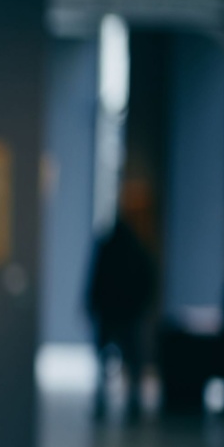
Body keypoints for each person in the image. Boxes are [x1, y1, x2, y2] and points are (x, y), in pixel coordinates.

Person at [85, 178, 158, 422]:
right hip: (124, 312)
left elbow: (96, 278)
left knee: (110, 360)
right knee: (126, 359)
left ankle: (108, 402)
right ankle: (128, 404)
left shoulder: (115, 244)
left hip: (116, 311)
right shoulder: (134, 246)